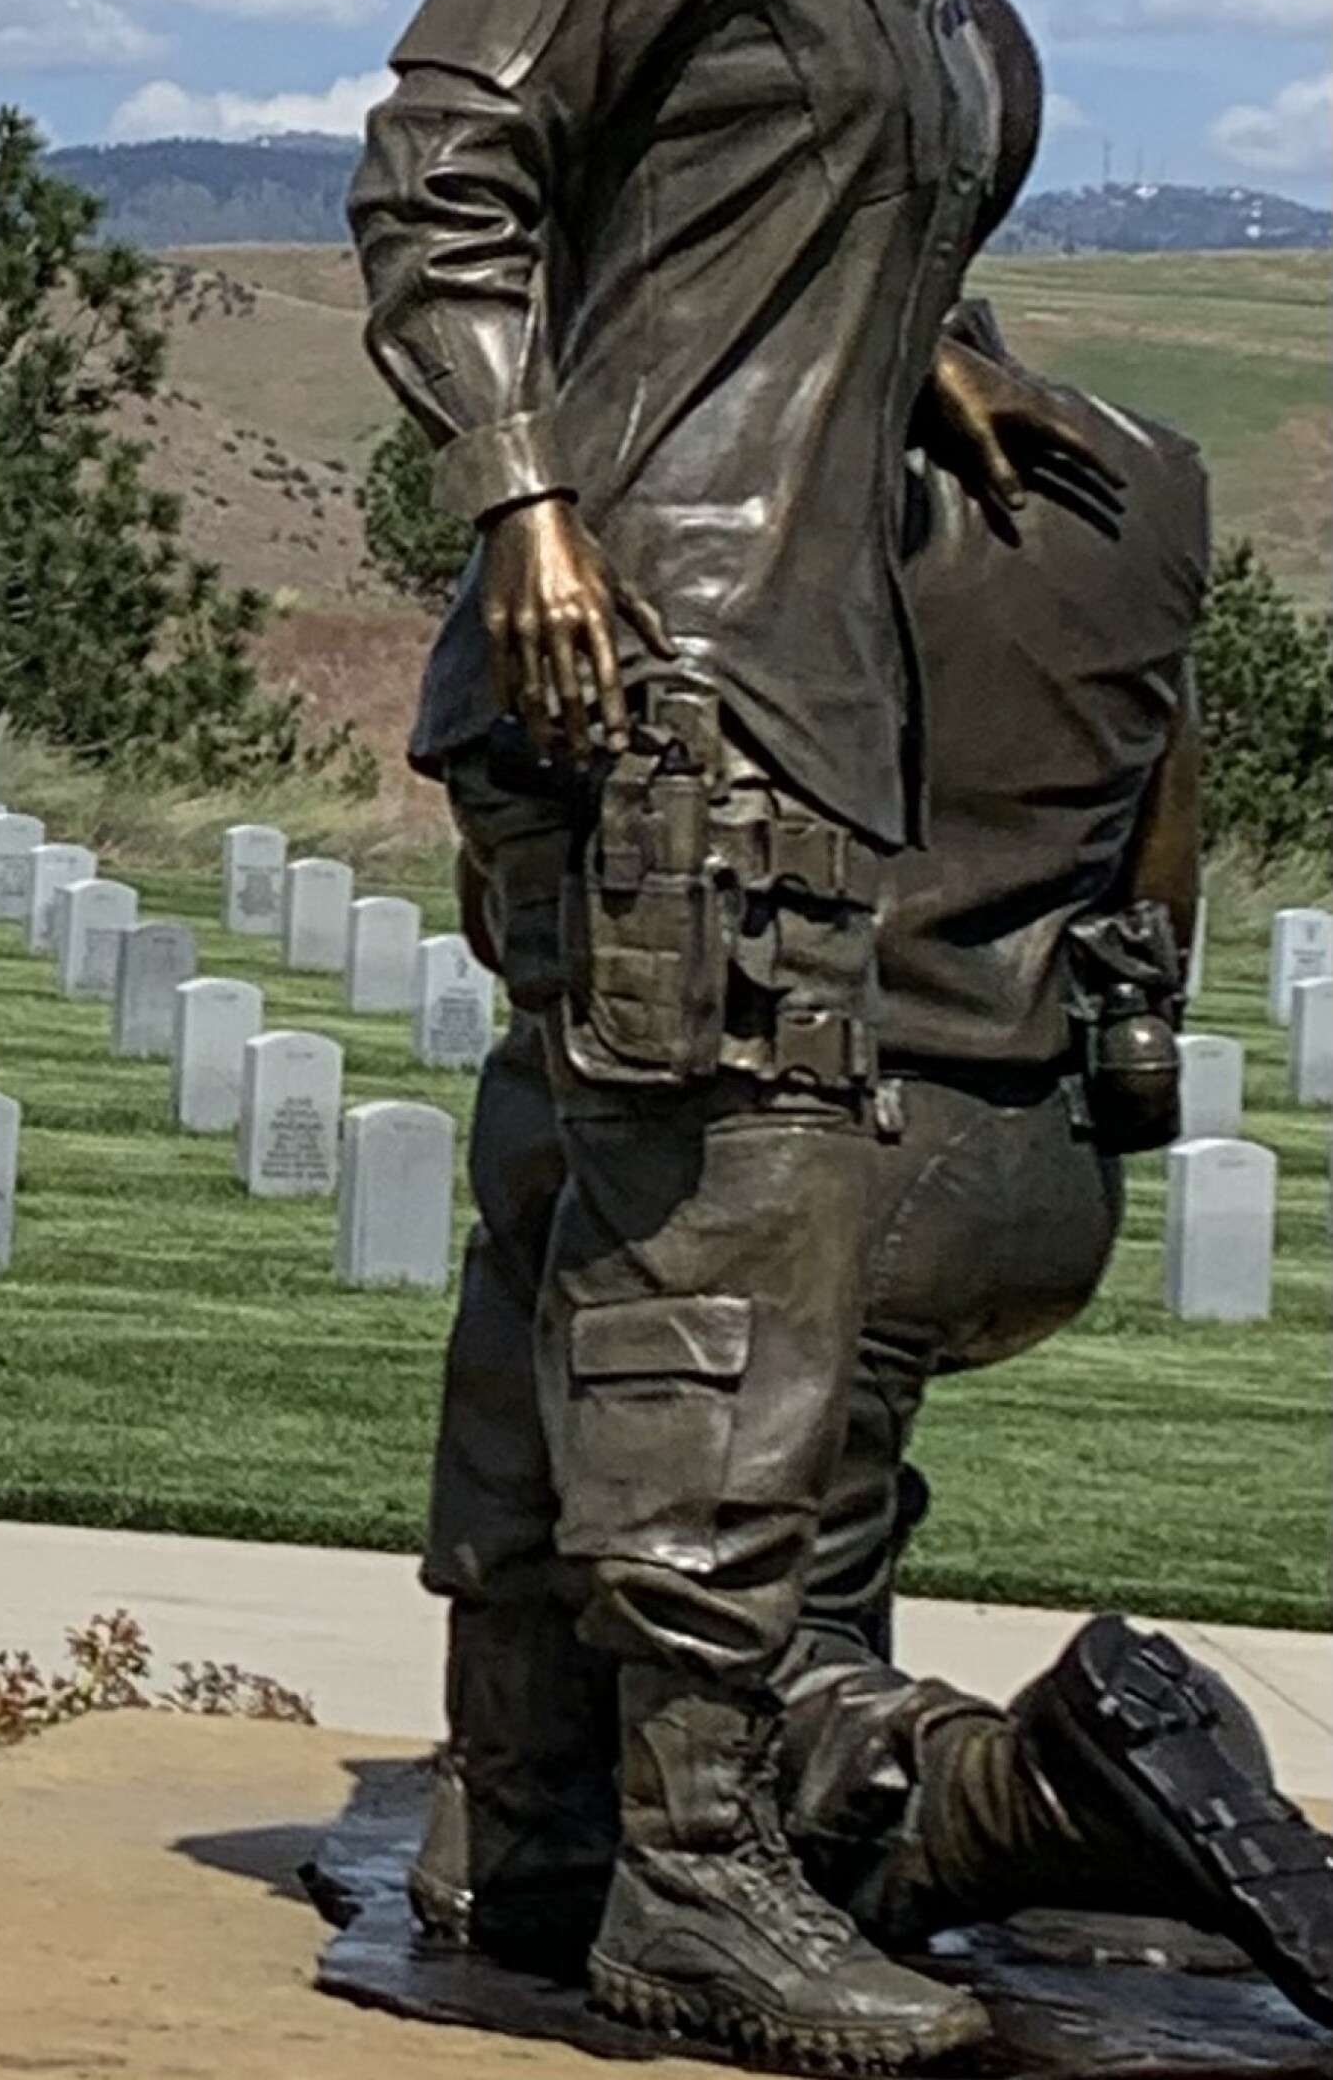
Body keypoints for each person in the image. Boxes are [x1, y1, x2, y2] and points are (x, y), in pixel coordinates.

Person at [351, 0, 1116, 2071]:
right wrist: (526, 506)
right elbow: (438, 178)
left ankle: (529, 1825)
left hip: (768, 661)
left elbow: (763, 244)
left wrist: (929, 354)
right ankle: (692, 1877)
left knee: (574, 1229)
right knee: (731, 1266)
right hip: (672, 680)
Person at [412, 339, 1333, 2036]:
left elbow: (510, 853)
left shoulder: (712, 482)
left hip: (786, 1136)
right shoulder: (1144, 479)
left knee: (729, 1649)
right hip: (1023, 1135)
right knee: (804, 1543)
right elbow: (1161, 854)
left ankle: (1025, 1793)